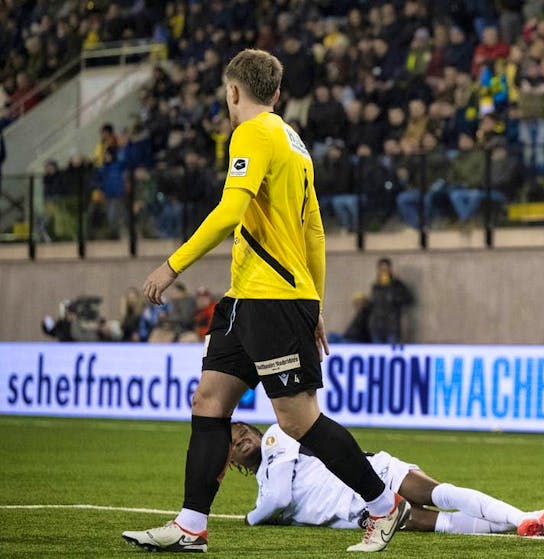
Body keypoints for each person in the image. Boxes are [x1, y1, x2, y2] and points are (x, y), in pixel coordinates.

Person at [124, 49, 409, 554]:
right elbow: (314, 231)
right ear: (276, 93)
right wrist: (316, 302)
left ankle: (385, 506)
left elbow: (231, 209)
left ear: (233, 91)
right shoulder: (294, 143)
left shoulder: (252, 133)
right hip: (246, 297)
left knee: (297, 420)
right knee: (208, 401)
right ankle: (191, 525)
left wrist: (172, 266)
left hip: (273, 297)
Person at [228, 422, 544, 537]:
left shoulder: (277, 435)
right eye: (232, 442)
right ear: (230, 462)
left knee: (439, 493)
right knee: (441, 524)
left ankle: (526, 518)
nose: (241, 436)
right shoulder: (265, 484)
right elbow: (273, 497)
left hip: (370, 477)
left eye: (241, 429)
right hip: (356, 512)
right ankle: (537, 519)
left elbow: (277, 501)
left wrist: (250, 518)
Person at [368, 258, 415, 344]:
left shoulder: (397, 285)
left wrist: (396, 298)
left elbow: (409, 299)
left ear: (390, 269)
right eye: (381, 269)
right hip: (376, 327)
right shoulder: (375, 286)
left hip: (392, 327)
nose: (383, 271)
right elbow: (372, 304)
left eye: (385, 268)